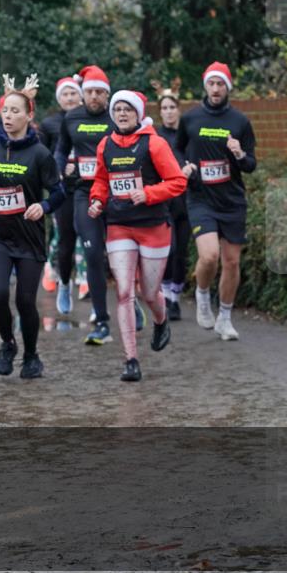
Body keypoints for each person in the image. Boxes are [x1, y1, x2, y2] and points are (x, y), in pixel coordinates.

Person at [0, 75, 65, 378]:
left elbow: (59, 193)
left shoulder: (41, 155)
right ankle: (8, 343)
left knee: (25, 301)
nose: (8, 116)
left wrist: (44, 206)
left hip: (28, 238)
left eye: (15, 111)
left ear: (29, 116)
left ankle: (32, 355)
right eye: (5, 111)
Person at [88, 90, 187, 381]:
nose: (121, 114)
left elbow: (178, 182)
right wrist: (96, 200)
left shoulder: (154, 144)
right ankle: (130, 359)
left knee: (149, 293)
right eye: (117, 109)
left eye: (127, 109)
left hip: (154, 226)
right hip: (119, 225)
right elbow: (101, 179)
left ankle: (161, 319)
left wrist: (149, 194)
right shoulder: (105, 144)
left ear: (138, 113)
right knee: (123, 292)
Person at [175, 62, 256, 340]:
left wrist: (240, 155)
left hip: (232, 200)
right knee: (209, 255)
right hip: (201, 198)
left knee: (232, 262)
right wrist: (182, 165)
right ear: (205, 86)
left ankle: (224, 317)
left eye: (221, 84)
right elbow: (176, 147)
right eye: (212, 83)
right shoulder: (191, 118)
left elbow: (251, 165)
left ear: (228, 87)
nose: (216, 88)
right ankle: (201, 294)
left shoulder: (240, 122)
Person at [55, 65, 119, 343]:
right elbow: (60, 148)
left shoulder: (117, 116)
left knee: (120, 256)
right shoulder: (71, 118)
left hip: (117, 194)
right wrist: (57, 170)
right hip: (84, 192)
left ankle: (132, 303)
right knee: (92, 253)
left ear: (107, 95)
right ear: (84, 93)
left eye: (99, 92)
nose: (94, 96)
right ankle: (100, 317)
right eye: (89, 91)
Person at [39, 76, 85, 314]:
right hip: (63, 188)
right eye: (65, 94)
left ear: (81, 95)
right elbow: (41, 155)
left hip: (88, 186)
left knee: (91, 238)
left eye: (73, 93)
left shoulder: (89, 120)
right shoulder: (49, 124)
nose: (69, 98)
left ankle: (89, 282)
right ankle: (64, 282)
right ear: (59, 99)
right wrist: (56, 171)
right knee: (65, 238)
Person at [152, 78, 188, 321]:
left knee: (182, 252)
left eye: (172, 107)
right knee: (169, 250)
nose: (168, 112)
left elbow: (196, 157)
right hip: (164, 200)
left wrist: (190, 168)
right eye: (164, 108)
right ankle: (165, 296)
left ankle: (176, 298)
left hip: (187, 199)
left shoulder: (187, 134)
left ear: (179, 109)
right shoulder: (155, 136)